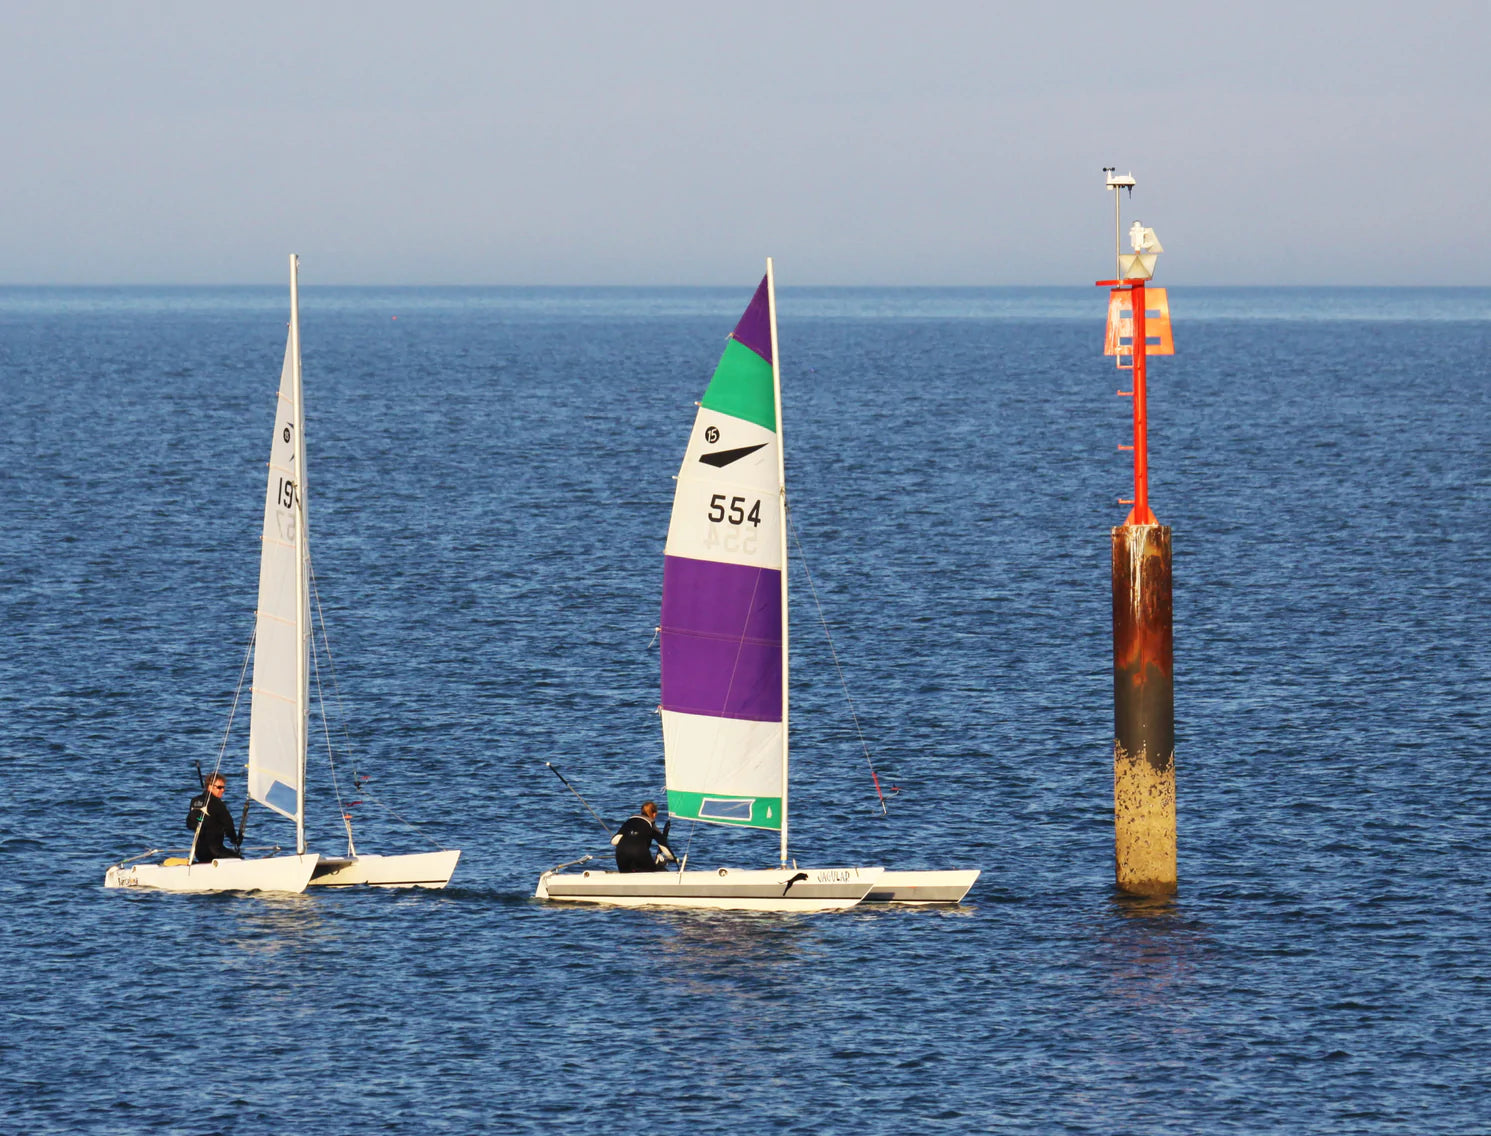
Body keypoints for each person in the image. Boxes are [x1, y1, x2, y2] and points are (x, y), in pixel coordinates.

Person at [187, 772, 242, 863]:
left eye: (223, 787)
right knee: (239, 860)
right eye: (219, 787)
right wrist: (234, 840)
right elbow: (228, 824)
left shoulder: (195, 801)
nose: (223, 790)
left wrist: (201, 821)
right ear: (210, 786)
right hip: (214, 851)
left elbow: (190, 823)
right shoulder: (217, 803)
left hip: (199, 852)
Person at [611, 800, 675, 873]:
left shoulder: (629, 821)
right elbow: (664, 847)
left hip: (620, 855)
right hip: (640, 854)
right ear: (654, 814)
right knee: (659, 870)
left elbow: (614, 841)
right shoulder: (651, 824)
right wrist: (673, 858)